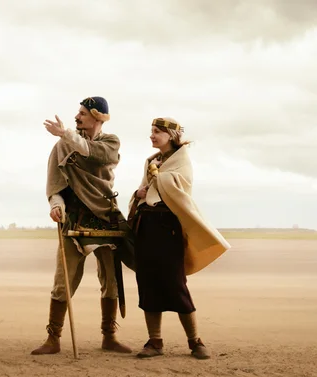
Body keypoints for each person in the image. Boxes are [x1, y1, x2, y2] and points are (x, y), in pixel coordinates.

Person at [31, 96, 135, 356]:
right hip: (74, 218)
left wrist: (65, 133)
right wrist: (57, 206)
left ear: (98, 117)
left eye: (83, 113)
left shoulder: (111, 142)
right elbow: (55, 185)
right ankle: (53, 339)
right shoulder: (61, 147)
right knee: (62, 282)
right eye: (77, 113)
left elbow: (94, 153)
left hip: (105, 216)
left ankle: (109, 336)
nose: (77, 117)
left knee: (110, 281)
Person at [127, 117, 231, 359]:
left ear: (171, 136)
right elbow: (144, 190)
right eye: (151, 131)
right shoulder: (152, 161)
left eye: (157, 132)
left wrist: (158, 177)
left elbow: (180, 187)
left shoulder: (182, 161)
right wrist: (138, 193)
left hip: (168, 228)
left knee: (176, 284)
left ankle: (195, 341)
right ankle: (154, 342)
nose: (152, 136)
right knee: (148, 283)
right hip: (146, 227)